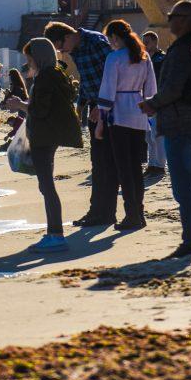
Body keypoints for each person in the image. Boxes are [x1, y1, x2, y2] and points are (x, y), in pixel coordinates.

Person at [139, 1, 191, 258]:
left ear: (185, 19)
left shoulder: (181, 50)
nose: (169, 20)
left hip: (180, 124)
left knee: (183, 187)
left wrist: (151, 104)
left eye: (172, 16)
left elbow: (173, 88)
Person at [5, 38, 83, 252]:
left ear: (37, 56)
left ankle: (56, 235)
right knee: (45, 185)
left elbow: (40, 110)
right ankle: (54, 233)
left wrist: (20, 105)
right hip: (50, 134)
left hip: (45, 135)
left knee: (47, 185)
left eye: (29, 57)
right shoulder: (55, 73)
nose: (28, 62)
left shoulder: (46, 76)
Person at [44, 21, 116, 227]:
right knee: (97, 162)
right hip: (95, 105)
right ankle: (96, 211)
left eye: (60, 47)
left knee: (106, 163)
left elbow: (111, 76)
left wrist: (102, 105)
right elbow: (87, 79)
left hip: (109, 107)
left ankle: (106, 213)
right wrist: (80, 106)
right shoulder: (76, 49)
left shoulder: (96, 42)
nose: (61, 52)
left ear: (67, 36)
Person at [96, 20, 157, 231]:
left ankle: (132, 215)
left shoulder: (114, 58)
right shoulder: (143, 55)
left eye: (109, 38)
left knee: (124, 168)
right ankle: (138, 213)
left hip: (120, 114)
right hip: (139, 112)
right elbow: (151, 89)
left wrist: (101, 122)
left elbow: (107, 90)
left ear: (114, 37)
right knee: (135, 167)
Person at [142, 31, 167, 178]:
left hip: (158, 102)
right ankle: (151, 164)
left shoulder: (161, 59)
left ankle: (160, 165)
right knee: (148, 137)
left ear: (155, 42)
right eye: (143, 42)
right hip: (145, 101)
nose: (144, 45)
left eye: (147, 42)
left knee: (157, 135)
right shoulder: (144, 59)